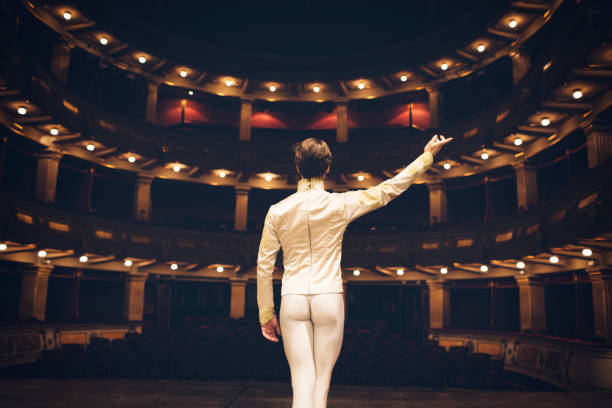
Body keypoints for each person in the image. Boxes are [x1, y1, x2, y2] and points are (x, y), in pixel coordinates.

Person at [257, 134, 453, 408]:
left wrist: (266, 313)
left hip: (292, 299)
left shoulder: (277, 211)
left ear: (298, 168)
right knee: (321, 385)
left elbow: (264, 265)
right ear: (327, 168)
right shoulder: (341, 204)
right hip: (329, 298)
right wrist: (427, 156)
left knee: (301, 383)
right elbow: (389, 189)